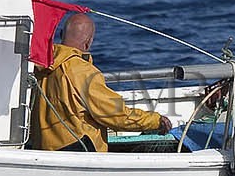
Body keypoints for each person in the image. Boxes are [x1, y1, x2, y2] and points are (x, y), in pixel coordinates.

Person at [31, 13, 172, 151]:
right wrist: (156, 121)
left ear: (61, 34)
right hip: (77, 151)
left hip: (44, 149)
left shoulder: (41, 65)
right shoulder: (83, 72)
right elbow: (116, 115)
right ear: (88, 42)